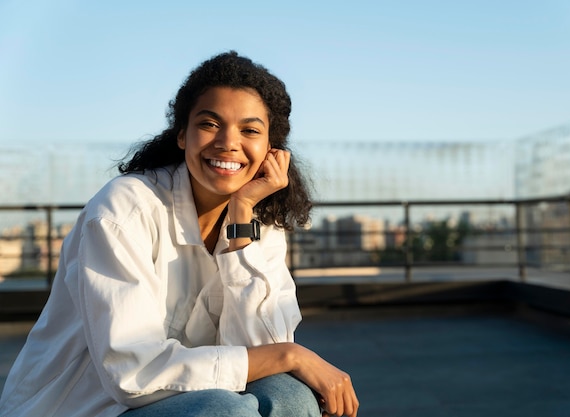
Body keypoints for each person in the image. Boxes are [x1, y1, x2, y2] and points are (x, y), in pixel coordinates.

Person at [0, 51, 359, 417]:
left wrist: (240, 224)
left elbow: (262, 356)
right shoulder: (125, 209)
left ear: (271, 150)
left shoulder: (256, 222)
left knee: (291, 394)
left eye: (249, 130)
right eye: (209, 124)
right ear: (182, 135)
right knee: (224, 411)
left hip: (186, 401)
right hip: (83, 409)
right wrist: (291, 353)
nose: (228, 143)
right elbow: (133, 372)